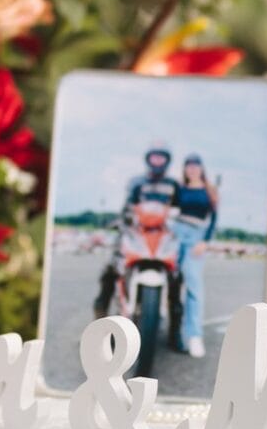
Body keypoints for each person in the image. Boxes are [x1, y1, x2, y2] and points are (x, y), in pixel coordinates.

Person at [94, 142, 181, 318]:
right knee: (112, 267)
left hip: (162, 235)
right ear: (148, 159)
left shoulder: (173, 184)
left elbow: (179, 209)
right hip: (137, 233)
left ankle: (175, 323)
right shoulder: (137, 182)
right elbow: (128, 206)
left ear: (167, 160)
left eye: (161, 157)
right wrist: (122, 221)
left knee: (177, 274)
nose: (157, 161)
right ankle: (101, 312)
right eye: (154, 157)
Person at [169, 155, 219, 357]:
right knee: (170, 280)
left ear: (201, 168)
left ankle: (194, 336)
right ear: (184, 169)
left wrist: (205, 241)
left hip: (196, 237)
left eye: (195, 166)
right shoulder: (179, 189)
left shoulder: (209, 190)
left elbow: (213, 219)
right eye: (188, 166)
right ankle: (171, 329)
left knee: (193, 285)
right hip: (175, 234)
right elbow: (168, 209)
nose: (192, 169)